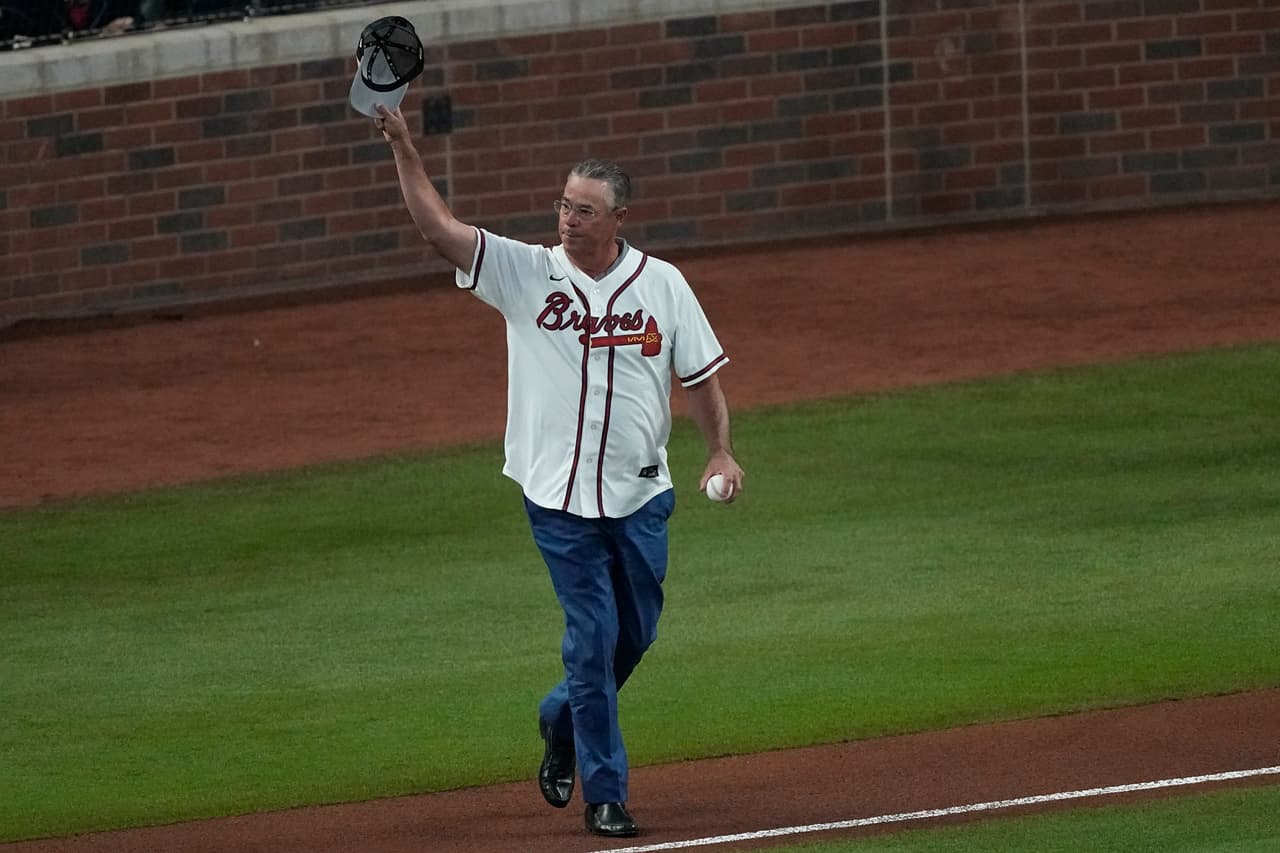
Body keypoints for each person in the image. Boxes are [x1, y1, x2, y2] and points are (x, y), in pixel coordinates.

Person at [373, 104, 744, 838]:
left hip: (641, 496)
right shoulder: (525, 272)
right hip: (558, 501)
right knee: (592, 638)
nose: (569, 220)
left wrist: (720, 450)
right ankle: (605, 793)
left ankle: (560, 714)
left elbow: (701, 378)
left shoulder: (663, 285)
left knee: (633, 637)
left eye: (585, 210)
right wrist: (404, 147)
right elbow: (438, 228)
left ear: (619, 218)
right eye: (564, 206)